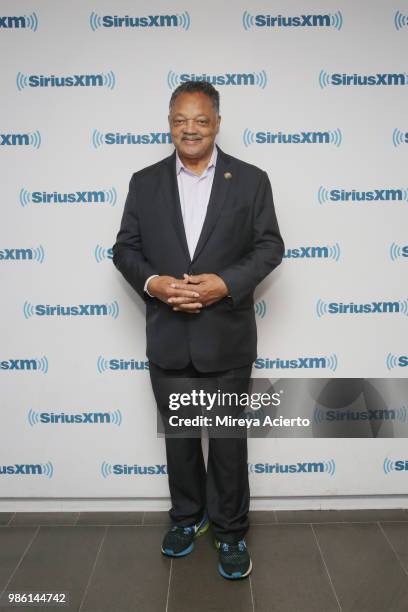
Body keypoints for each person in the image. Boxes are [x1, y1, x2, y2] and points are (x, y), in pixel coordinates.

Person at [112, 80, 284, 579]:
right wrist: (155, 283)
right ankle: (188, 519)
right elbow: (124, 249)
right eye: (180, 120)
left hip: (226, 337)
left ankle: (231, 532)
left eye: (200, 120)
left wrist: (224, 285)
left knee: (228, 442)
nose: (190, 129)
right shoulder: (144, 182)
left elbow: (269, 247)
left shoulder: (251, 180)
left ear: (217, 123)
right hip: (168, 334)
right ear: (170, 122)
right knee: (181, 439)